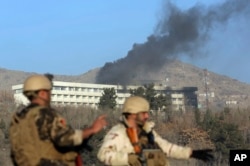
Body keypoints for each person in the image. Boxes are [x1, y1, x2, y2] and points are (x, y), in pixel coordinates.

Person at [9, 74, 107, 166]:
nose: (50, 95)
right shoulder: (45, 114)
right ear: (43, 93)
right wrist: (92, 129)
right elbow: (65, 138)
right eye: (49, 92)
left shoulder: (19, 118)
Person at [97, 96, 213, 166]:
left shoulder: (148, 132)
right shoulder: (119, 133)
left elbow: (167, 148)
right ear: (132, 114)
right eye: (143, 113)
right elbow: (103, 155)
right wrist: (128, 159)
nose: (147, 116)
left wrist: (191, 153)